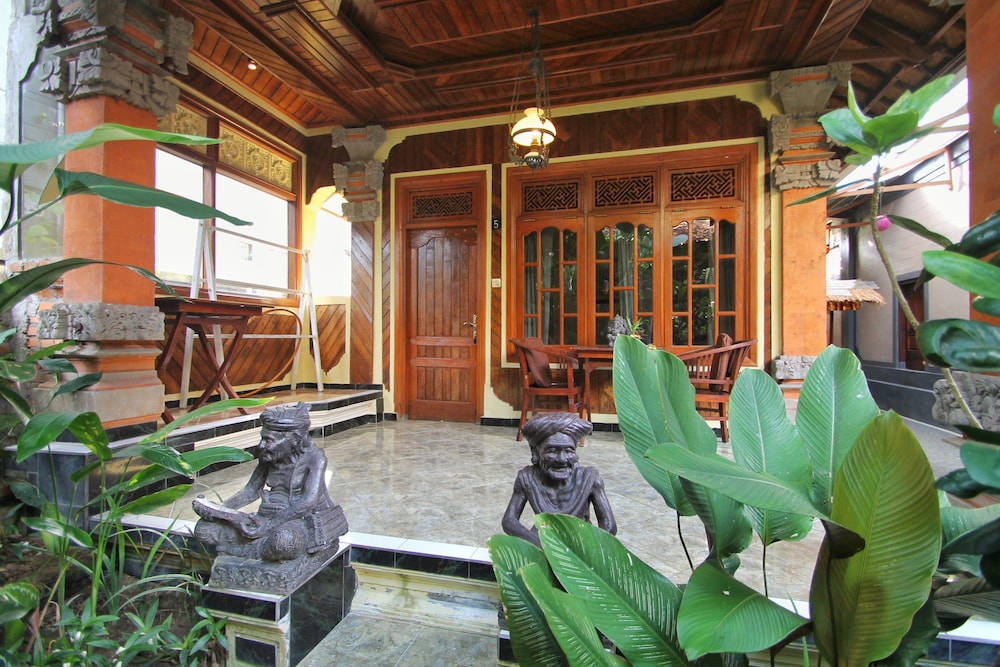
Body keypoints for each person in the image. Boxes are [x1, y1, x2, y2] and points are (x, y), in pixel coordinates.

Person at [192, 402, 347, 561]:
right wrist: (220, 509)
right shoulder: (269, 456)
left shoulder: (315, 457)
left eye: (269, 440)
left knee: (284, 542)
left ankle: (246, 550)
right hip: (263, 518)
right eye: (262, 438)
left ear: (293, 440)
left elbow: (308, 501)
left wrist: (269, 525)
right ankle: (258, 548)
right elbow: (251, 491)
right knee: (204, 529)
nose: (262, 445)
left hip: (296, 521)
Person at [502, 412, 616, 547]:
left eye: (569, 451)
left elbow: (609, 526)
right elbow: (509, 521)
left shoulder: (590, 480)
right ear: (535, 452)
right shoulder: (527, 478)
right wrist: (538, 543)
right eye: (552, 451)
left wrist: (588, 550)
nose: (562, 459)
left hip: (581, 543)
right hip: (543, 539)